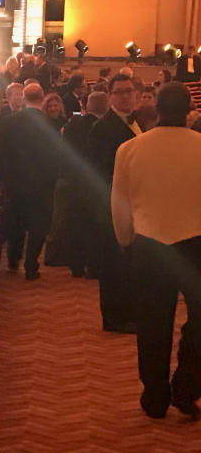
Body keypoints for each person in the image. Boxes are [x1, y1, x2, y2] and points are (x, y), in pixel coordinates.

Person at [111, 83, 201, 418]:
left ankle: (155, 395)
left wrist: (124, 239)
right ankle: (187, 387)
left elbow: (120, 202)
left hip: (149, 243)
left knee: (152, 323)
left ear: (156, 109)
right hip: (197, 243)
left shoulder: (130, 149)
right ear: (190, 110)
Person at [87, 72, 141, 332]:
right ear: (109, 97)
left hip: (135, 204)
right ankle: (114, 317)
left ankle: (128, 312)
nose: (125, 96)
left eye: (129, 91)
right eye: (119, 92)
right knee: (112, 263)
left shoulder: (137, 122)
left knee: (128, 263)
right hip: (111, 203)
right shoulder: (103, 128)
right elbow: (98, 170)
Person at [0, 83, 62, 279]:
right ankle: (31, 265)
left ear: (24, 98)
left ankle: (12, 260)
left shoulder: (9, 122)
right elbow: (55, 156)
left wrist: (3, 179)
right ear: (42, 98)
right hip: (41, 183)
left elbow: (3, 153)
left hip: (15, 182)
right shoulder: (50, 123)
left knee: (15, 223)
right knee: (38, 225)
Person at [60, 90, 109, 278]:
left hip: (74, 180)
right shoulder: (104, 126)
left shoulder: (72, 125)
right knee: (95, 226)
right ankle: (94, 266)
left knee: (76, 223)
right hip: (96, 182)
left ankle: (76, 265)